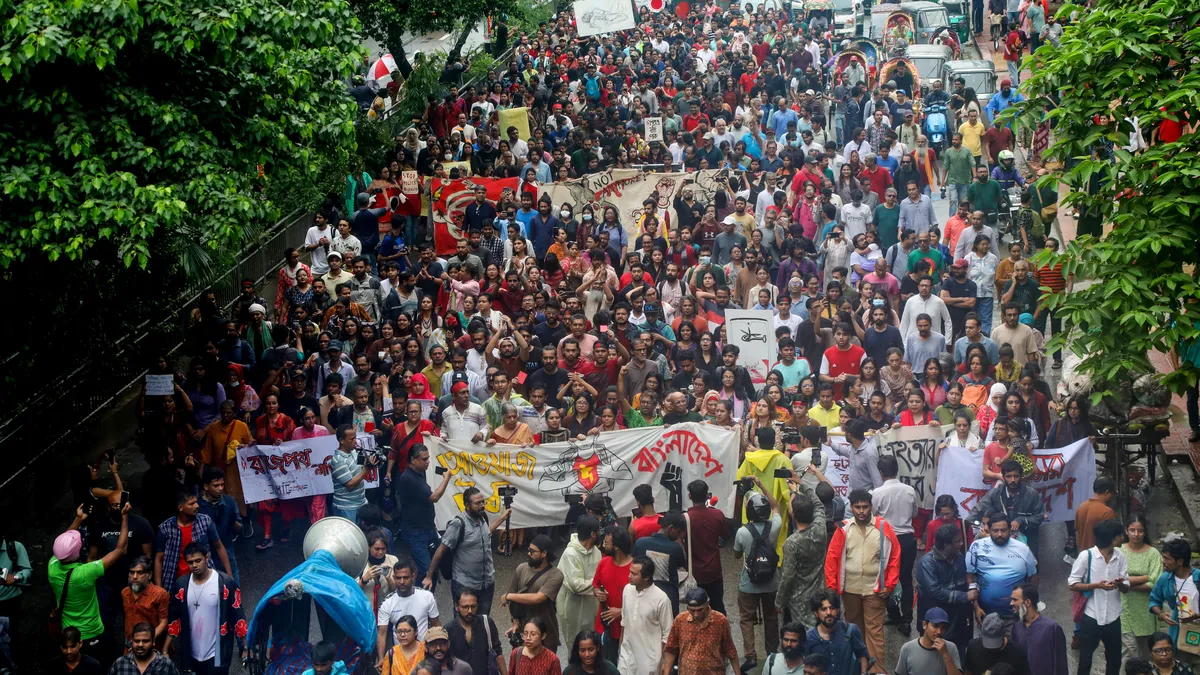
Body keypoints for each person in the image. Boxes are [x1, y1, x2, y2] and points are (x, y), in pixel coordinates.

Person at [825, 488, 901, 673]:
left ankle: (877, 671)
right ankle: (855, 668)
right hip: (849, 589)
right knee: (852, 630)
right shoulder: (843, 529)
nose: (861, 511)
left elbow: (894, 558)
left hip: (874, 590)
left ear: (871, 507)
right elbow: (832, 559)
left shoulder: (884, 528)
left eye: (865, 507)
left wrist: (889, 585)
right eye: (857, 507)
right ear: (851, 507)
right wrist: (831, 587)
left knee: (874, 632)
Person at [49, 503, 131, 666]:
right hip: (92, 632)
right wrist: (124, 517)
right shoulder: (86, 572)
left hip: (69, 633)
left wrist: (78, 520)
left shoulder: (52, 567)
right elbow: (120, 549)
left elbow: (62, 546)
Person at [163, 543, 246, 675]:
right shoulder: (181, 585)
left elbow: (237, 615)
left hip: (217, 650)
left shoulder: (224, 582)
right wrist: (165, 649)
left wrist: (246, 646)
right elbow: (175, 618)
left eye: (198, 560)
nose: (194, 565)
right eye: (190, 562)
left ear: (207, 558)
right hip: (192, 652)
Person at [424, 486, 506, 614]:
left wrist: (502, 518)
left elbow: (486, 534)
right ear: (467, 505)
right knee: (463, 625)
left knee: (482, 622)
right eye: (477, 503)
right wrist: (429, 576)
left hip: (487, 584)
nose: (482, 505)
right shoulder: (458, 524)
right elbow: (441, 550)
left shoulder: (483, 517)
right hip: (465, 584)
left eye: (482, 502)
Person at [1069, 519, 1131, 675]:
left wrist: (1120, 584)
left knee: (1114, 659)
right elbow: (1073, 584)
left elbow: (1126, 587)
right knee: (1085, 660)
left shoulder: (1120, 557)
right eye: (1119, 536)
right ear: (1111, 538)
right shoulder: (1086, 556)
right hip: (1092, 616)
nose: (1122, 538)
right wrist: (1097, 585)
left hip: (1113, 617)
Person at [734, 489, 785, 672]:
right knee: (772, 617)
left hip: (749, 584)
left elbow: (737, 555)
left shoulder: (742, 532)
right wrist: (762, 486)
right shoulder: (776, 526)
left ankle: (751, 656)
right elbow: (776, 506)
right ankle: (772, 653)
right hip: (772, 583)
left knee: (747, 619)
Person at [871, 455, 920, 635]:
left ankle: (894, 614)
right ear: (897, 470)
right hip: (907, 538)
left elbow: (874, 516)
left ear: (881, 473)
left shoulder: (876, 493)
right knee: (906, 578)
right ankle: (907, 618)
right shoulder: (909, 490)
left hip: (887, 540)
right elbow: (914, 512)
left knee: (887, 578)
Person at [966, 513, 1038, 623]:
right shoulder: (976, 547)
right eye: (995, 531)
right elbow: (969, 578)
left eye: (1003, 530)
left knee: (1016, 640)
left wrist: (1031, 606)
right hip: (986, 614)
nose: (999, 534)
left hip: (1016, 615)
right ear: (988, 530)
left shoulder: (1023, 549)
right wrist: (976, 607)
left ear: (1010, 530)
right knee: (990, 640)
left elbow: (1033, 577)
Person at [777, 475, 828, 628]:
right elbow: (819, 505)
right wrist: (802, 483)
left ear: (794, 515)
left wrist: (779, 601)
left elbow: (787, 576)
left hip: (798, 599)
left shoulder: (792, 543)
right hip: (819, 593)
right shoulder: (820, 529)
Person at [917, 524, 976, 657]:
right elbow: (935, 591)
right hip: (937, 624)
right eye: (957, 541)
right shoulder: (927, 564)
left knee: (957, 660)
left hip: (959, 624)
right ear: (946, 545)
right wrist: (965, 596)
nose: (961, 543)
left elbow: (968, 581)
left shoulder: (960, 558)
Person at [396, 442, 451, 583]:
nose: (428, 462)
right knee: (427, 571)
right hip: (416, 533)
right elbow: (434, 497)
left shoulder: (419, 473)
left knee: (436, 566)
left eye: (428, 458)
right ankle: (419, 598)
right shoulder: (408, 478)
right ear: (413, 460)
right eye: (424, 459)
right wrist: (446, 479)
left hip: (428, 528)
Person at [503, 535, 566, 654]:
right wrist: (515, 622)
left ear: (544, 553)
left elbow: (538, 598)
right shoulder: (521, 569)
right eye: (528, 550)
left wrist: (508, 596)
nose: (528, 554)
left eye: (532, 551)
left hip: (545, 632)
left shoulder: (556, 575)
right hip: (523, 631)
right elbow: (514, 601)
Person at [659, 588, 739, 675]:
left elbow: (730, 650)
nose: (696, 614)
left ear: (707, 604)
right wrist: (666, 672)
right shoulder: (680, 620)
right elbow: (671, 649)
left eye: (700, 610)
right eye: (692, 610)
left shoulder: (720, 621)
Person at [375, 559, 441, 665]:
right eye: (398, 578)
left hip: (425, 655)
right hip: (400, 658)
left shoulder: (427, 597)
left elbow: (436, 625)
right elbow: (382, 633)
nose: (402, 582)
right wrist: (381, 658)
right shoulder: (387, 603)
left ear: (413, 576)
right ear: (394, 578)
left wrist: (439, 650)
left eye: (405, 577)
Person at [617, 556, 674, 675]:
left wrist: (665, 664)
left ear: (646, 577)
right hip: (626, 657)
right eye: (630, 572)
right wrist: (620, 648)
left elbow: (668, 635)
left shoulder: (661, 599)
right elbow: (624, 621)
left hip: (650, 662)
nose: (629, 576)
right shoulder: (627, 590)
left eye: (634, 574)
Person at [1120, 515, 1162, 660]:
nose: (1136, 535)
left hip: (1147, 610)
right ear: (1126, 531)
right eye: (1132, 530)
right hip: (1124, 609)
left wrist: (1126, 585)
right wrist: (1143, 577)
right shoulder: (1119, 552)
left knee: (1147, 652)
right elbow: (1114, 578)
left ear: (1145, 532)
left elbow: (1153, 583)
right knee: (1128, 652)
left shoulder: (1153, 554)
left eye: (1140, 531)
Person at [557, 516, 602, 651]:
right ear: (593, 534)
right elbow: (576, 585)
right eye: (598, 531)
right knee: (576, 645)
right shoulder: (570, 554)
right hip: (573, 608)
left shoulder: (596, 552)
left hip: (592, 606)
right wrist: (597, 585)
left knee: (592, 644)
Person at [685, 479, 729, 615]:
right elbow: (726, 535)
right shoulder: (717, 515)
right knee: (717, 607)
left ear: (689, 496)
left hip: (694, 572)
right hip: (714, 570)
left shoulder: (685, 518)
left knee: (694, 609)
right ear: (707, 496)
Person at [631, 511, 687, 615]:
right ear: (671, 528)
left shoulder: (640, 543)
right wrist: (680, 543)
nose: (679, 536)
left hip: (644, 596)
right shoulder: (675, 548)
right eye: (678, 532)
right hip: (668, 598)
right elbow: (682, 563)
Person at [593, 526, 634, 664]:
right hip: (604, 627)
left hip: (628, 629)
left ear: (616, 547)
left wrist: (621, 612)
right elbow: (595, 586)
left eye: (606, 543)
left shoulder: (635, 569)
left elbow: (644, 601)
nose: (603, 546)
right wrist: (598, 593)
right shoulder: (603, 563)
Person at [803, 590, 870, 675]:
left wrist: (863, 673)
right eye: (824, 609)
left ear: (838, 610)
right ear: (816, 613)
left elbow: (862, 654)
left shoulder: (850, 630)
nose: (829, 613)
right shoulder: (809, 637)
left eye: (832, 608)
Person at [1150, 538, 1200, 648]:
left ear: (1180, 561)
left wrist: (1196, 616)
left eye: (1167, 558)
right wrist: (1161, 614)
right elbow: (1154, 600)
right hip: (1178, 635)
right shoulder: (1165, 579)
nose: (1163, 561)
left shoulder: (1197, 577)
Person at [1009, 584, 1068, 675]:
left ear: (1027, 602)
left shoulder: (1052, 628)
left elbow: (1060, 664)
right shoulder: (1016, 628)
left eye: (1015, 600)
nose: (1011, 603)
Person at [446, 589, 507, 675]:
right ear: (456, 607)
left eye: (473, 606)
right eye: (465, 607)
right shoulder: (449, 630)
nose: (470, 611)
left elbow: (497, 653)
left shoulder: (487, 623)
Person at [328, 424, 375, 523]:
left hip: (361, 503)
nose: (355, 441)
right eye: (351, 439)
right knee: (349, 536)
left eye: (355, 438)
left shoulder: (354, 452)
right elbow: (350, 484)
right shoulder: (338, 460)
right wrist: (366, 470)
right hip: (346, 508)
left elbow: (359, 470)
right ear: (341, 440)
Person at [894, 608, 963, 675]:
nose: (939, 632)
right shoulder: (908, 648)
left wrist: (945, 655)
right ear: (924, 625)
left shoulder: (951, 648)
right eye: (935, 626)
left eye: (943, 628)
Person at [122, 556, 170, 649]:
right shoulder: (125, 593)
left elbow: (163, 623)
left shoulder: (160, 594)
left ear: (149, 575)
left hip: (152, 647)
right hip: (129, 646)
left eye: (140, 573)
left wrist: (145, 641)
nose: (135, 577)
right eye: (132, 572)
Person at [963, 613, 1031, 675]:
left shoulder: (1017, 652)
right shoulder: (973, 648)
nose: (992, 648)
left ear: (1004, 633)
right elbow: (968, 672)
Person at [109, 621, 178, 674]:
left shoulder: (166, 665)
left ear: (153, 642)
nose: (140, 645)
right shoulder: (120, 664)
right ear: (131, 641)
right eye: (137, 641)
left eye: (145, 641)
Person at [1074, 477, 1117, 554]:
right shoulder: (1107, 512)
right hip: (1099, 559)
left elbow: (1077, 532)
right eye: (1112, 493)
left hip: (1083, 556)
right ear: (1107, 492)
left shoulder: (1081, 507)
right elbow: (1111, 540)